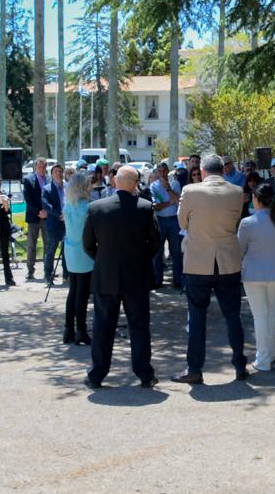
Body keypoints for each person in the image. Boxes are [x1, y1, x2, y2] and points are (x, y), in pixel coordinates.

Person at [81, 166, 161, 389]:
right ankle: (145, 374)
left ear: (115, 181)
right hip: (136, 275)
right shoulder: (145, 208)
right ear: (135, 184)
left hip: (106, 275)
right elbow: (155, 242)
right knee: (139, 326)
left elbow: (87, 243)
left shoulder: (96, 208)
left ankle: (97, 375)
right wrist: (140, 259)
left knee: (103, 326)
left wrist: (103, 260)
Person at [173, 155, 250, 384]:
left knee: (197, 317)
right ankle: (239, 365)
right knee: (232, 316)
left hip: (199, 262)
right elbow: (235, 221)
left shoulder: (190, 191)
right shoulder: (236, 191)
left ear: (204, 171)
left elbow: (182, 223)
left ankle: (194, 368)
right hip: (228, 262)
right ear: (222, 171)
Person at [237, 183, 275, 370]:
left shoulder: (247, 222)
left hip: (254, 274)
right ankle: (270, 352)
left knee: (260, 316)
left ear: (257, 200)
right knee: (269, 314)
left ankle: (264, 359)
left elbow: (239, 249)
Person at [63, 171, 94, 345]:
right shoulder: (87, 208)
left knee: (73, 292)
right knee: (81, 294)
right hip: (83, 253)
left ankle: (68, 329)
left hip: (71, 250)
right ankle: (80, 330)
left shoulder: (68, 206)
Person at [150, 160, 184, 290]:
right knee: (158, 253)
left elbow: (179, 201)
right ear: (157, 172)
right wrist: (170, 202)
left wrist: (168, 188)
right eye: (160, 171)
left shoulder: (175, 184)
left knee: (176, 252)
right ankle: (157, 280)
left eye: (165, 171)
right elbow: (156, 207)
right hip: (160, 221)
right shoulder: (153, 186)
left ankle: (178, 280)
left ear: (168, 171)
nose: (163, 173)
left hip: (174, 220)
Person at [22, 157, 48, 281]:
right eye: (39, 167)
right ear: (35, 167)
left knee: (48, 245)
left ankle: (47, 270)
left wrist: (47, 212)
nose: (41, 169)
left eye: (43, 167)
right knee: (32, 244)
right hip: (34, 217)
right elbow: (28, 199)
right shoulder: (28, 180)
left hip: (47, 217)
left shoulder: (49, 180)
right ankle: (30, 270)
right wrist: (39, 212)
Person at [41, 164, 67, 284]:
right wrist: (59, 214)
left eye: (60, 171)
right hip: (54, 223)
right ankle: (48, 274)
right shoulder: (47, 189)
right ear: (51, 175)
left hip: (68, 223)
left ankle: (66, 274)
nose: (59, 174)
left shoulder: (68, 187)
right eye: (56, 172)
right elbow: (47, 205)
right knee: (52, 249)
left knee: (67, 249)